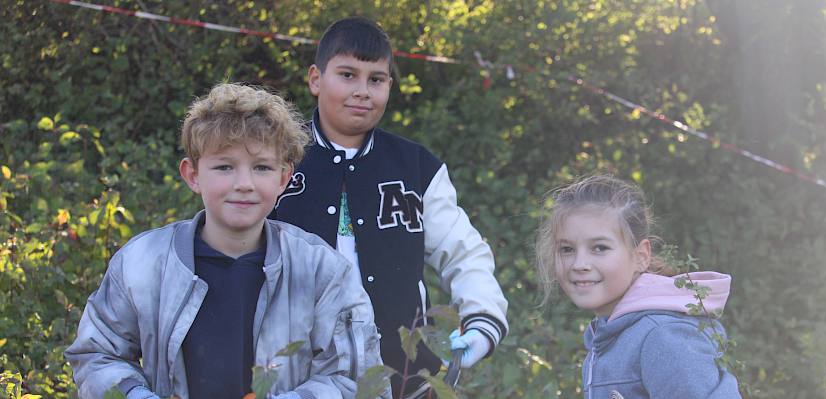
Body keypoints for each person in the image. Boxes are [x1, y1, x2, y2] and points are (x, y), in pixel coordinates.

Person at [65, 83, 387, 399]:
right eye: (224, 167)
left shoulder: (322, 270)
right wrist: (137, 395)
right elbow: (97, 354)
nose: (244, 184)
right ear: (192, 175)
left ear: (284, 178)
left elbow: (359, 378)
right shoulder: (143, 263)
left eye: (261, 167)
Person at [269, 17, 508, 396]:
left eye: (375, 79)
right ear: (316, 79)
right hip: (299, 381)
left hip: (407, 380)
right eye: (347, 75)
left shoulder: (417, 167)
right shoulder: (274, 163)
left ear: (389, 86)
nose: (362, 91)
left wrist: (482, 319)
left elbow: (465, 253)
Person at [535, 174, 741, 398]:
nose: (579, 264)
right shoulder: (609, 334)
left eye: (600, 248)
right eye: (567, 249)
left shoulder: (662, 337)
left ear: (641, 256)